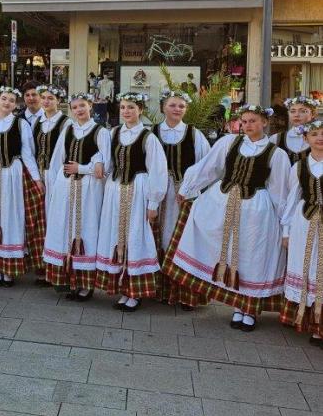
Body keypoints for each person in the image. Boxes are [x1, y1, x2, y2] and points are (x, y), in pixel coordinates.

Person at [165, 104, 289, 332]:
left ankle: (249, 309)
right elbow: (209, 168)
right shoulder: (229, 143)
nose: (248, 125)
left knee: (250, 257)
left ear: (264, 123)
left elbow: (280, 191)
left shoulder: (276, 154)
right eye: (244, 121)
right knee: (228, 252)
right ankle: (236, 305)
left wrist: (285, 225)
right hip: (221, 204)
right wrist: (188, 188)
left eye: (253, 121)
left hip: (256, 213)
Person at [94, 92, 168, 312]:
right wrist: (97, 161)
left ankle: (134, 292)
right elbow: (103, 156)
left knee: (136, 237)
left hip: (138, 190)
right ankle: (121, 288)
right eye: (123, 107)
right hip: (115, 191)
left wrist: (153, 203)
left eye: (131, 107)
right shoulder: (113, 133)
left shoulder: (148, 137)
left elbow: (158, 170)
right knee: (116, 235)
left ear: (141, 110)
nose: (126, 111)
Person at [0, 86, 44, 287]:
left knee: (12, 218)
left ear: (16, 104)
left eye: (12, 100)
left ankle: (9, 269)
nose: (7, 103)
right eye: (4, 99)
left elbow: (28, 153)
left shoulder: (20, 124)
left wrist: (37, 179)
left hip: (12, 174)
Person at [44, 93, 111, 301]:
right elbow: (58, 159)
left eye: (83, 105)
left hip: (89, 189)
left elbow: (105, 167)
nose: (79, 110)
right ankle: (69, 280)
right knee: (64, 229)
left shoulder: (101, 132)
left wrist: (82, 167)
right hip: (66, 186)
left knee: (86, 231)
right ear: (71, 110)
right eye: (75, 107)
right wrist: (54, 187)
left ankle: (85, 284)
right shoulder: (68, 129)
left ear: (90, 106)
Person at [152, 91, 210, 309]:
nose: (177, 109)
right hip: (159, 194)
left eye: (181, 106)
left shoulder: (194, 134)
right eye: (172, 105)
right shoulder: (153, 132)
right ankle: (161, 289)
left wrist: (191, 188)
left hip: (185, 195)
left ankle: (186, 293)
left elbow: (206, 166)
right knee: (160, 238)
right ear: (163, 107)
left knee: (185, 240)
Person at [280, 120, 323, 345]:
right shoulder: (299, 166)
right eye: (314, 134)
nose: (319, 138)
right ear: (305, 139)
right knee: (306, 268)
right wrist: (286, 231)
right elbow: (291, 199)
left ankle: (320, 327)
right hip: (303, 223)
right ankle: (306, 320)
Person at [30, 85, 70, 285]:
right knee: (40, 221)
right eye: (43, 98)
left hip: (57, 177)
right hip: (39, 173)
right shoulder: (38, 121)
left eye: (51, 98)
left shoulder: (66, 123)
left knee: (56, 219)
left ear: (58, 101)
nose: (46, 101)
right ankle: (42, 264)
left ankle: (57, 267)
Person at [271, 96, 319, 165]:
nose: (296, 115)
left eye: (302, 111)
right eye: (292, 111)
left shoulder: (319, 139)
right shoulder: (276, 139)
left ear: (313, 114)